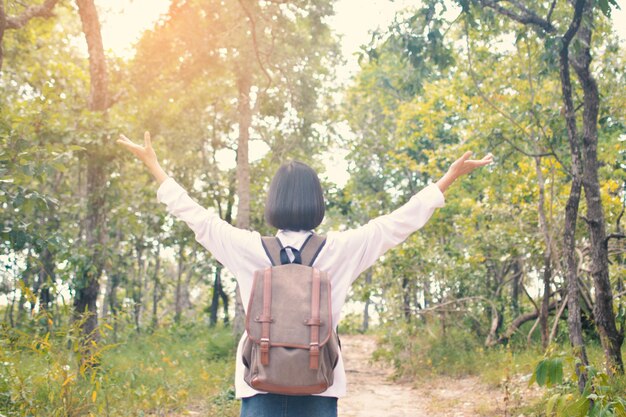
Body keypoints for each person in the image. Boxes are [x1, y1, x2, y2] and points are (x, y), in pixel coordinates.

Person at [117, 131, 493, 417]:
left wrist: (154, 166)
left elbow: (197, 217)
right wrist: (447, 179)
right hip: (320, 386)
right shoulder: (342, 249)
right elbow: (396, 224)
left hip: (258, 386)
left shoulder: (247, 248)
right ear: (318, 202)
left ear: (273, 202)